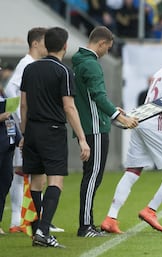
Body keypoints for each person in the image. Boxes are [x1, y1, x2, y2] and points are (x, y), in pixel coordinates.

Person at [100, 40, 162, 234]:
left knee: (132, 171)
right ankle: (151, 210)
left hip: (139, 119)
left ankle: (110, 218)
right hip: (155, 122)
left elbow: (161, 96)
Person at [20, 27, 90, 248]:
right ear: (65, 46)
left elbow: (24, 104)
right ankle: (43, 231)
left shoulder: (30, 69)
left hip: (31, 130)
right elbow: (69, 107)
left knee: (36, 181)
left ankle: (39, 229)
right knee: (56, 181)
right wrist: (82, 138)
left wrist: (23, 133)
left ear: (45, 44)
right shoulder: (64, 71)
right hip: (52, 131)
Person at [71, 26, 138, 238]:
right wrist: (121, 118)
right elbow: (98, 97)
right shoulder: (91, 64)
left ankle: (86, 224)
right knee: (92, 178)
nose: (107, 52)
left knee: (91, 177)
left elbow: (94, 98)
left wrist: (113, 110)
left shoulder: (80, 61)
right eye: (107, 48)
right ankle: (85, 226)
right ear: (101, 43)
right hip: (96, 128)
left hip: (90, 124)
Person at [4, 27, 50, 234]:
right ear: (36, 44)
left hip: (27, 126)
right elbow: (10, 89)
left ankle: (25, 219)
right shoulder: (26, 64)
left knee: (25, 171)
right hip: (25, 128)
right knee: (22, 171)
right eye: (45, 42)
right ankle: (19, 220)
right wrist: (20, 120)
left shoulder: (31, 64)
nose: (48, 46)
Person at [0, 70, 22, 235]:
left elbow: (11, 117)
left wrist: (19, 136)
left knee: (5, 181)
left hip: (8, 144)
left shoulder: (2, 91)